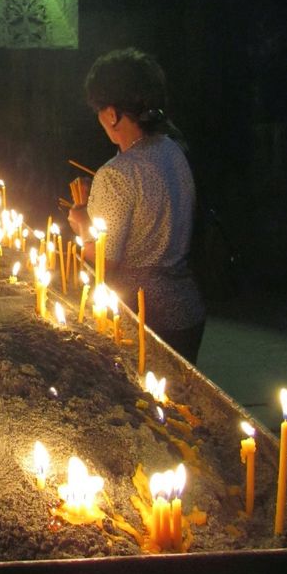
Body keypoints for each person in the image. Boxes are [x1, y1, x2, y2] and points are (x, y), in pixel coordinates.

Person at [68, 48, 206, 364]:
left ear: (112, 114)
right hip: (187, 309)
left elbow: (103, 263)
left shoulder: (117, 174)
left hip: (146, 319)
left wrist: (80, 222)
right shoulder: (173, 149)